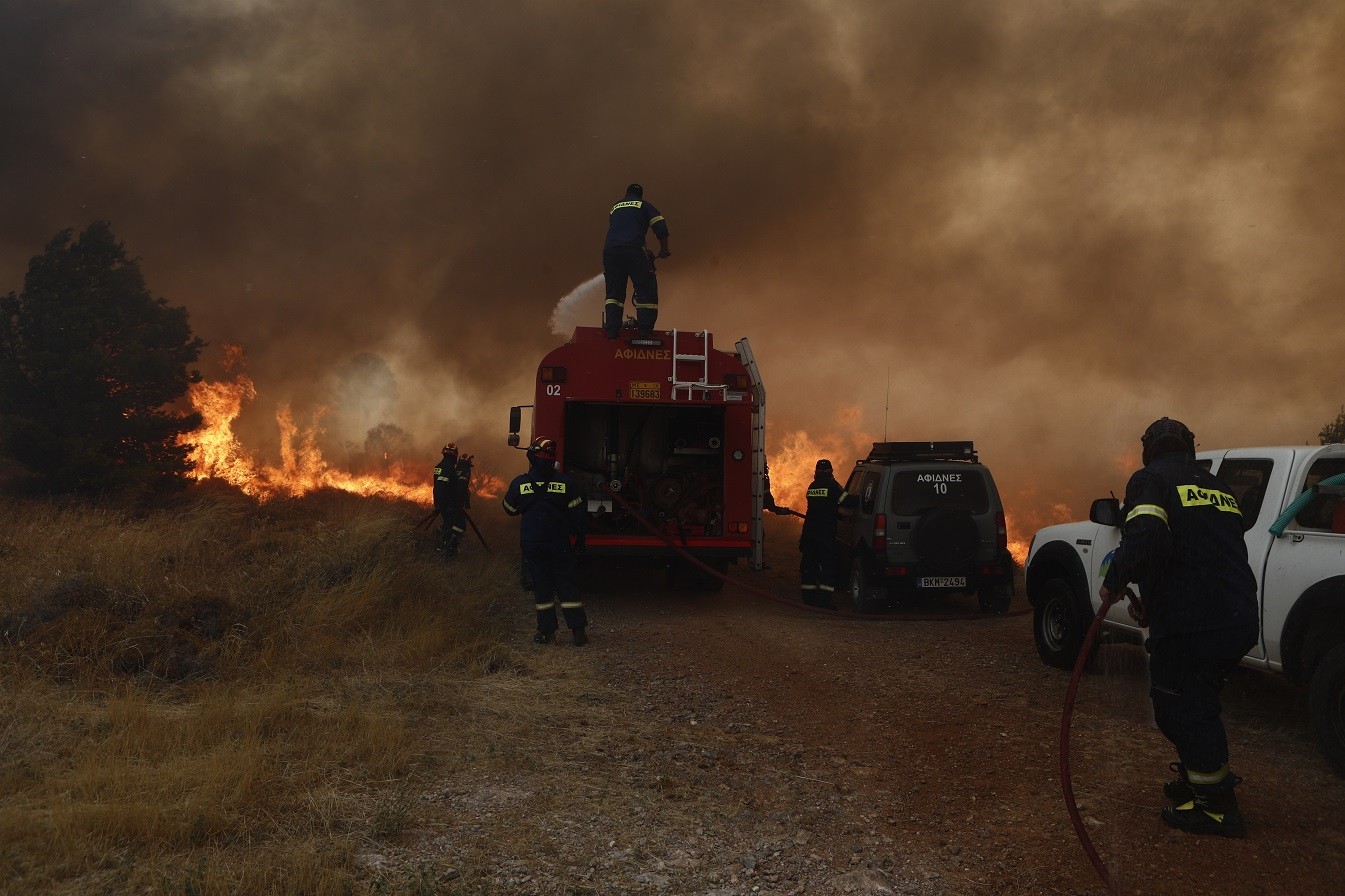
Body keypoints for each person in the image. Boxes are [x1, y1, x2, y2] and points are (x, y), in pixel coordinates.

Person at [1100, 417, 1260, 838]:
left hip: (1195, 622)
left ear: (1148, 450)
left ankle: (1216, 808)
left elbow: (1148, 535)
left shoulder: (1150, 479)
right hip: (1237, 617)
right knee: (1197, 699)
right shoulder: (1218, 487)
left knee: (1181, 708)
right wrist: (1154, 606)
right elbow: (1196, 551)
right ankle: (1198, 780)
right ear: (1189, 448)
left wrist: (1115, 579)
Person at [502, 437, 590, 646]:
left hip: (533, 542)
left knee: (542, 586)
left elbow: (509, 509)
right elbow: (578, 515)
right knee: (567, 584)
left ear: (531, 458)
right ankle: (578, 632)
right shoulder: (565, 483)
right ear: (552, 460)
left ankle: (546, 633)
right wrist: (580, 540)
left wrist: (528, 507)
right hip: (559, 541)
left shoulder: (520, 483)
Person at [602, 183, 670, 339]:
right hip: (633, 249)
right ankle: (645, 331)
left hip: (610, 252)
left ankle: (612, 331)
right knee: (646, 288)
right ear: (640, 195)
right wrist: (664, 250)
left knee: (614, 294)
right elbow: (660, 226)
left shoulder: (615, 207)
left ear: (626, 193)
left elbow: (623, 229)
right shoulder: (644, 205)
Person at [799, 459, 858, 609]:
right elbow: (848, 501)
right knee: (829, 566)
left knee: (809, 565)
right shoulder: (832, 486)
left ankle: (808, 598)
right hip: (825, 534)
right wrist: (863, 497)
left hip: (809, 533)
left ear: (816, 471)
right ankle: (823, 601)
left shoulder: (812, 486)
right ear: (830, 471)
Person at [433, 444, 472, 556]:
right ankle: (447, 549)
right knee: (458, 525)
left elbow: (439, 487)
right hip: (449, 503)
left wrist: (438, 504)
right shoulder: (448, 469)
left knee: (450, 523)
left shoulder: (440, 466)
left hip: (443, 503)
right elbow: (443, 487)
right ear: (454, 456)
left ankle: (445, 540)